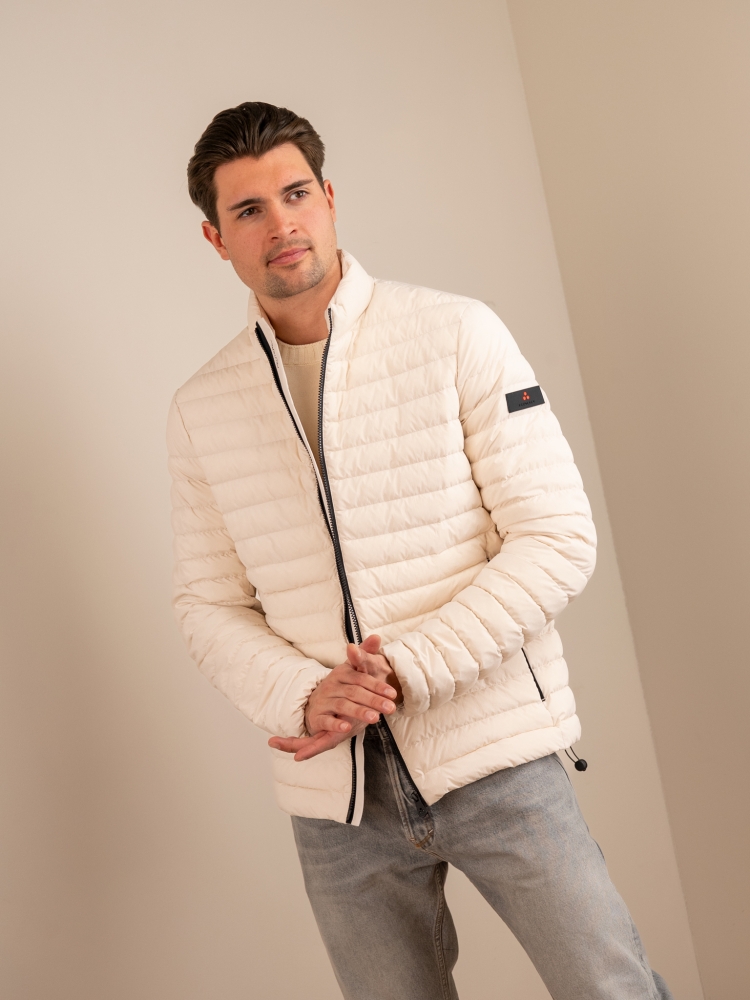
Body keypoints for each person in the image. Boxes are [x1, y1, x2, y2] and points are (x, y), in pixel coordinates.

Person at [168, 101, 672, 1000]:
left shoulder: (454, 333)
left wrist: (404, 668)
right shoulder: (200, 409)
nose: (281, 225)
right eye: (249, 210)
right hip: (338, 801)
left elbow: (556, 537)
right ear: (216, 238)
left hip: (494, 754)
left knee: (611, 988)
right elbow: (208, 604)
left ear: (329, 198)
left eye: (295, 194)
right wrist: (305, 694)